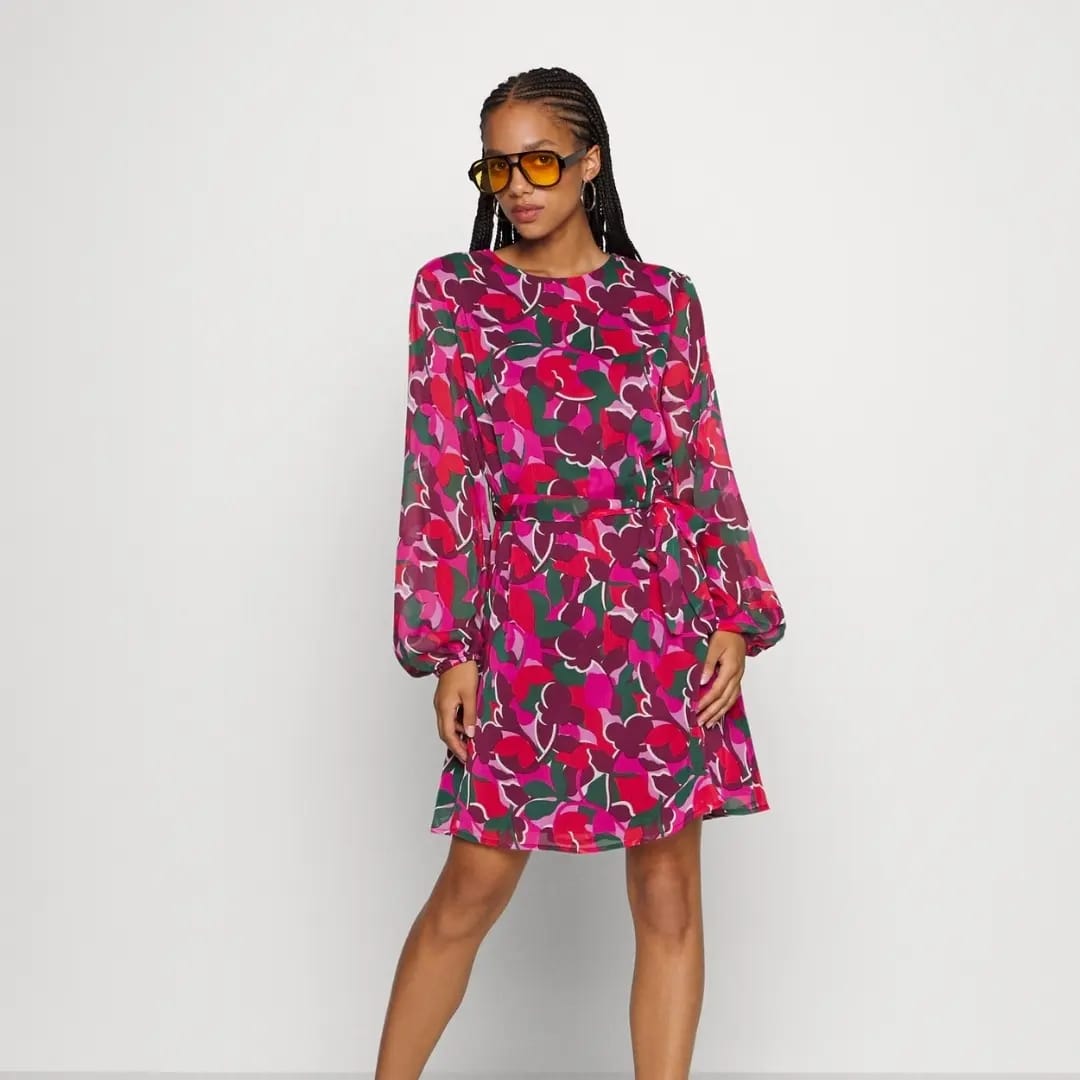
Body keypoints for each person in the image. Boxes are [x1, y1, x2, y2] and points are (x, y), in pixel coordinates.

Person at [378, 65, 786, 1079]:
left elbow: (698, 461)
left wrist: (732, 615)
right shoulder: (456, 293)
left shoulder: (663, 302)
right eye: (497, 167)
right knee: (472, 887)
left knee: (669, 897)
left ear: (592, 162)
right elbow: (441, 472)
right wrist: (450, 647)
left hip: (660, 622)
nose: (517, 186)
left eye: (541, 161)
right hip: (522, 621)